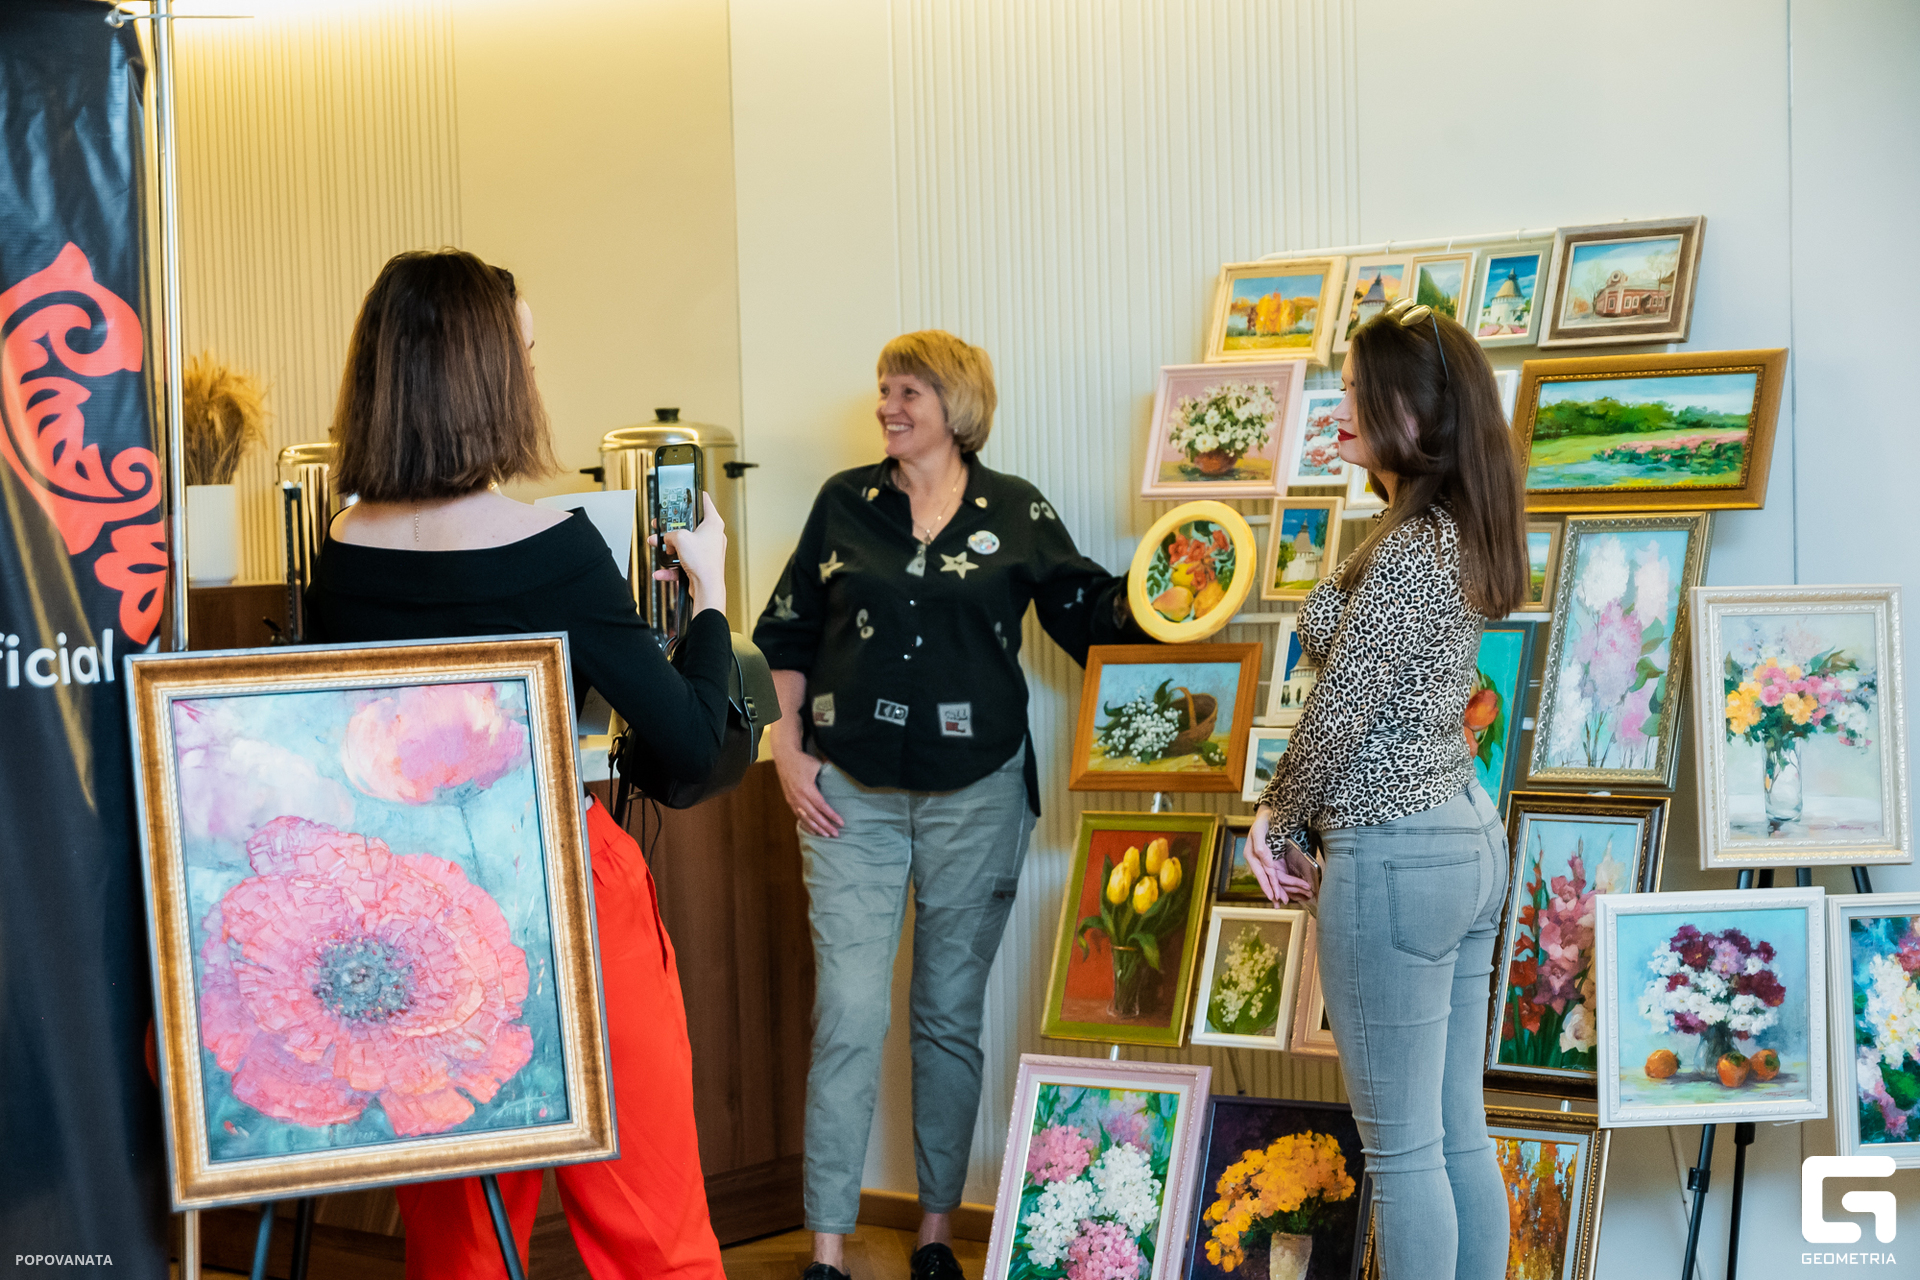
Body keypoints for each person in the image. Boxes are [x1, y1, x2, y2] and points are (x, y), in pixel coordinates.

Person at [304, 249, 730, 1280]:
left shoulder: (342, 553)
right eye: (525, 354)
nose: (534, 376)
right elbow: (688, 745)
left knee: (461, 1245)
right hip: (565, 898)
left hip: (419, 925)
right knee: (651, 1232)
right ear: (485, 375)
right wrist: (711, 596)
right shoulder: (556, 549)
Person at [753, 330, 1142, 1280]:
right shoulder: (844, 503)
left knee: (946, 1016)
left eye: (908, 392)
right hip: (848, 794)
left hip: (979, 794)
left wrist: (1181, 584)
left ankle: (934, 1236)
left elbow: (1090, 616)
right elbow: (788, 634)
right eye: (885, 390)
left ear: (955, 406)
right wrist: (785, 751)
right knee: (848, 1014)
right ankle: (827, 1250)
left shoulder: (1016, 510)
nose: (887, 407)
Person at [1245, 297, 1528, 1280]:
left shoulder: (1412, 549)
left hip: (1399, 848)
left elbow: (1342, 707)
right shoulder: (1445, 528)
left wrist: (1276, 817)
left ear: (1416, 411)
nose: (1340, 408)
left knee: (1407, 1157)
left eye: (1359, 393)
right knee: (1456, 1134)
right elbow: (1358, 672)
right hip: (1458, 834)